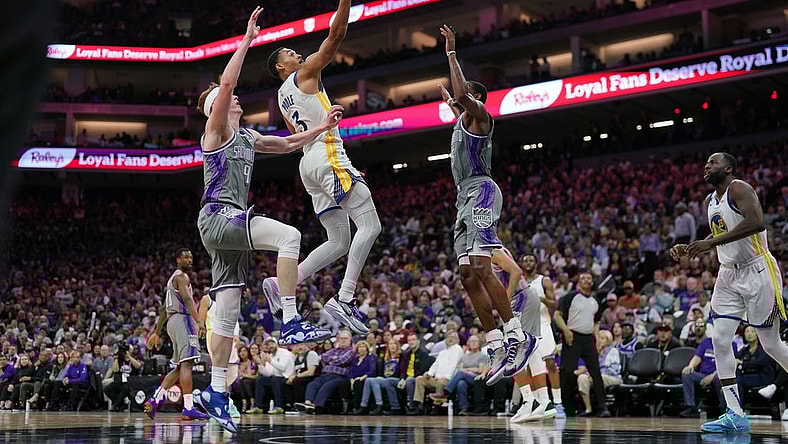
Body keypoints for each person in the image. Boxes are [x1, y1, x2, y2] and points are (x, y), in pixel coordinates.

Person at [194, 7, 341, 433]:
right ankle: (290, 317)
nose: (234, 99)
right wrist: (247, 38)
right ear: (213, 110)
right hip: (220, 216)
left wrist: (322, 128)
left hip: (225, 228)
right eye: (222, 101)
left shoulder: (247, 136)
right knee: (291, 236)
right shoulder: (217, 132)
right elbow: (225, 83)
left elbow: (287, 144)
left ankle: (217, 392)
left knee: (227, 313)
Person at [264, 0, 381, 336]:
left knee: (340, 239)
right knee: (370, 225)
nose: (295, 54)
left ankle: (286, 280)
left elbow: (296, 137)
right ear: (282, 68)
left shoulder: (281, 97)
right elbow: (336, 35)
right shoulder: (304, 74)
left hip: (308, 164)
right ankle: (344, 298)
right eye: (287, 53)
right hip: (328, 154)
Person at [436, 24, 536, 387]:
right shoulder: (461, 122)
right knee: (466, 274)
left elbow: (462, 95)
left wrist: (451, 52)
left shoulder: (480, 118)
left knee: (481, 264)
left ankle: (516, 334)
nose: (457, 103)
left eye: (463, 100)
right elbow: (455, 99)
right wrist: (449, 97)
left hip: (481, 191)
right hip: (462, 197)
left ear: (475, 100)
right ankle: (495, 342)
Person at [671, 152, 787, 433]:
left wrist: (710, 245)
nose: (706, 166)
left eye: (713, 162)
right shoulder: (711, 202)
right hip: (728, 273)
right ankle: (735, 414)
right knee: (720, 339)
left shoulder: (739, 187)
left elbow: (756, 222)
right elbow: (724, 233)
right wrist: (695, 245)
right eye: (706, 163)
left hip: (757, 269)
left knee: (770, 344)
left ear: (729, 168)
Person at [143, 249, 209, 420]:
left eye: (191, 257)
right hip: (183, 320)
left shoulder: (172, 279)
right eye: (185, 257)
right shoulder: (182, 277)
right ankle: (188, 407)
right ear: (178, 259)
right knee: (187, 364)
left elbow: (164, 308)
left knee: (180, 367)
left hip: (172, 322)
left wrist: (157, 332)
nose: (189, 260)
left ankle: (155, 400)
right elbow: (188, 300)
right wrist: (199, 321)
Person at [488, 249, 551, 422]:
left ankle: (531, 401)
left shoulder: (491, 250)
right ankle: (542, 402)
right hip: (525, 298)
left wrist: (504, 301)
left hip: (520, 299)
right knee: (531, 352)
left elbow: (516, 272)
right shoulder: (489, 250)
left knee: (514, 351)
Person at [554, 272, 611, 417]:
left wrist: (597, 337)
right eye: (583, 278)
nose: (586, 281)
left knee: (595, 372)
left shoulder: (595, 300)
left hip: (588, 339)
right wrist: (566, 330)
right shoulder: (570, 297)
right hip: (572, 337)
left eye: (589, 279)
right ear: (579, 282)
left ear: (592, 282)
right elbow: (557, 315)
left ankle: (602, 407)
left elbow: (597, 321)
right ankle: (567, 407)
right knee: (567, 372)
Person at [521, 253, 564, 418]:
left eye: (531, 260)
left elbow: (555, 304)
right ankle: (540, 403)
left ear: (536, 263)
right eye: (525, 260)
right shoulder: (518, 282)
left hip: (542, 323)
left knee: (550, 362)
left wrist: (541, 299)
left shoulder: (544, 280)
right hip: (526, 325)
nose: (528, 262)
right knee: (531, 366)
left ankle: (558, 403)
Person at [575, 330, 621, 417]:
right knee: (582, 378)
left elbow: (614, 370)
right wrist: (589, 374)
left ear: (608, 340)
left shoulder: (613, 351)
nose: (600, 340)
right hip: (595, 377)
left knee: (598, 377)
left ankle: (602, 407)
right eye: (598, 338)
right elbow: (589, 368)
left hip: (612, 378)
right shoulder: (593, 353)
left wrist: (595, 375)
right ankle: (588, 409)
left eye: (603, 338)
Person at [251, 338, 295, 414]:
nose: (270, 346)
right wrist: (260, 363)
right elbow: (268, 373)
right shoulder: (270, 355)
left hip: (287, 377)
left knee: (275, 379)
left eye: (272, 343)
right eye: (268, 345)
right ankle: (259, 407)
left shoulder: (284, 353)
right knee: (261, 380)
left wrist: (270, 361)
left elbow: (282, 368)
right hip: (276, 378)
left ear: (276, 344)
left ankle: (279, 406)